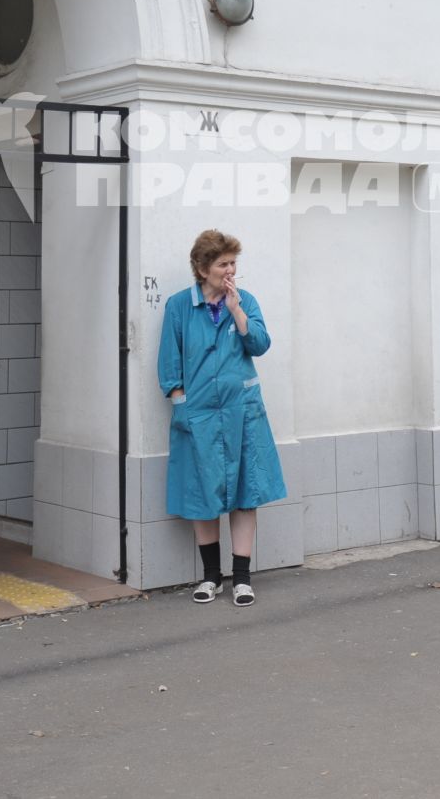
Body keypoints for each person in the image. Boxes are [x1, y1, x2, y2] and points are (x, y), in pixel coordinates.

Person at [159, 229, 286, 605]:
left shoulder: (244, 300)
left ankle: (242, 578)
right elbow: (169, 361)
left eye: (233, 263)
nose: (230, 271)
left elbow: (260, 345)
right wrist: (180, 404)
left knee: (246, 491)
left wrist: (237, 311)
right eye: (222, 264)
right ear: (202, 268)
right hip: (198, 415)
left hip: (242, 413)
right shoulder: (179, 306)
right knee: (202, 492)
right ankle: (211, 577)